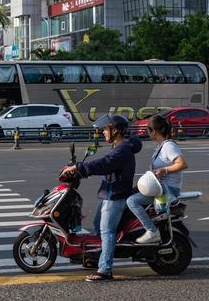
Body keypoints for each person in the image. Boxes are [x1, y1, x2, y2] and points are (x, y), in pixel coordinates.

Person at [61, 115, 142, 282]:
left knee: (107, 232)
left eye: (106, 129)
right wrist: (82, 173)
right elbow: (108, 168)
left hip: (116, 196)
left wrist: (79, 167)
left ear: (116, 130)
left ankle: (105, 270)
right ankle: (96, 257)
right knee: (98, 226)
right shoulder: (118, 146)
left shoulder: (122, 149)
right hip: (110, 193)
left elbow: (105, 164)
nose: (103, 132)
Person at [127, 115, 188, 244]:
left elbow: (182, 164)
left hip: (167, 191)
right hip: (160, 189)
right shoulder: (161, 146)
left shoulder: (168, 146)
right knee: (133, 194)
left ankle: (151, 231)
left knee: (132, 201)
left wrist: (163, 170)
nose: (148, 133)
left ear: (153, 131)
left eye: (148, 130)